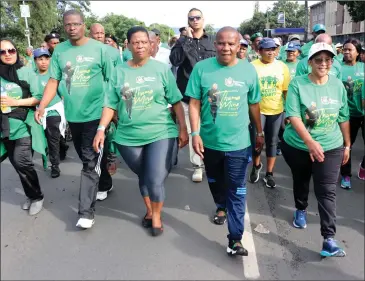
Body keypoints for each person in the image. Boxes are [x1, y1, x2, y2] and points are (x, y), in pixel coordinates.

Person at [93, 26, 188, 236]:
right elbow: (110, 104)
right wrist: (101, 129)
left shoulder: (161, 70)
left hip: (161, 131)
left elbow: (176, 101)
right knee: (144, 175)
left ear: (151, 44)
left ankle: (156, 217)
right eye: (136, 42)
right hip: (128, 136)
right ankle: (149, 209)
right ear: (128, 45)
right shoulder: (119, 72)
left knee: (154, 178)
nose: (140, 46)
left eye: (144, 42)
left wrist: (183, 128)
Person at [185, 26, 263, 256]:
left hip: (239, 144)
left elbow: (254, 103)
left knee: (237, 191)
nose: (225, 48)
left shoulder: (248, 71)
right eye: (221, 43)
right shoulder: (202, 69)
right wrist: (195, 134)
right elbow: (194, 103)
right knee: (216, 182)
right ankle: (220, 206)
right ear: (215, 45)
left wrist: (259, 132)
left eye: (231, 43)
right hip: (209, 142)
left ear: (239, 46)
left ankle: (235, 239)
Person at [35, 9, 113, 229]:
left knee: (89, 161)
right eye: (67, 25)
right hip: (73, 116)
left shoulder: (100, 50)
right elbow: (53, 81)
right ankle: (105, 182)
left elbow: (111, 82)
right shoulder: (60, 51)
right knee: (87, 155)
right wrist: (42, 106)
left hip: (97, 114)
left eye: (76, 24)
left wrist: (111, 113)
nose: (71, 28)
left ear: (83, 24)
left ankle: (86, 212)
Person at [281, 42, 350, 258]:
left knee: (327, 190)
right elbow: (292, 115)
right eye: (318, 60)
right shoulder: (297, 85)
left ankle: (329, 239)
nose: (323, 63)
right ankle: (301, 208)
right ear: (309, 62)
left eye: (328, 60)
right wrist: (310, 142)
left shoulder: (338, 85)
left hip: (331, 145)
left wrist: (347, 144)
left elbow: (343, 116)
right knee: (301, 180)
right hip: (298, 145)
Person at [0, 39, 46, 216]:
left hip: (23, 124)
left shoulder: (26, 72)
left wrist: (15, 102)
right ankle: (31, 194)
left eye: (11, 50)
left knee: (22, 161)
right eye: (2, 52)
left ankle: (37, 196)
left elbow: (38, 97)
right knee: (17, 164)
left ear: (16, 52)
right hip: (4, 127)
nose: (7, 54)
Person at [170, 7, 216, 182]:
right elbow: (175, 61)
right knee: (192, 131)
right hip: (188, 95)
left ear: (203, 19)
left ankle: (212, 161)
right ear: (188, 21)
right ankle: (198, 165)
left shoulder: (212, 40)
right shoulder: (181, 41)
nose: (195, 20)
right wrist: (185, 39)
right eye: (191, 18)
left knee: (212, 128)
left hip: (211, 93)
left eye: (198, 18)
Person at [250, 38, 290, 188]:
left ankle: (269, 174)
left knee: (272, 142)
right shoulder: (252, 67)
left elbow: (286, 91)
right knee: (257, 141)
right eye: (267, 49)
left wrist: (289, 112)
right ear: (259, 51)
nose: (271, 52)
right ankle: (256, 165)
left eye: (273, 49)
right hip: (257, 110)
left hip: (276, 110)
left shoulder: (282, 67)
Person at [89, 23, 122, 178]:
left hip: (108, 99)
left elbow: (120, 74)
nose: (100, 35)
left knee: (108, 130)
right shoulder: (86, 52)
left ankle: (110, 158)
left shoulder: (114, 53)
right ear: (90, 34)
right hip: (89, 100)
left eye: (102, 33)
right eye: (96, 33)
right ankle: (96, 159)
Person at [33, 48, 66, 178]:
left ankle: (55, 166)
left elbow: (63, 93)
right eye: (40, 59)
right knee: (44, 138)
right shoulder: (32, 76)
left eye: (46, 58)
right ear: (35, 61)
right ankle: (60, 147)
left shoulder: (55, 75)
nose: (44, 62)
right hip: (38, 112)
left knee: (53, 139)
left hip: (54, 111)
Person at [339, 38, 365, 187]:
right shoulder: (339, 68)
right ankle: (346, 175)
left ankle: (363, 166)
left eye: (350, 49)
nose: (347, 52)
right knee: (347, 145)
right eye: (345, 49)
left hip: (364, 113)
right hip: (348, 115)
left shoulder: (363, 67)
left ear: (358, 52)